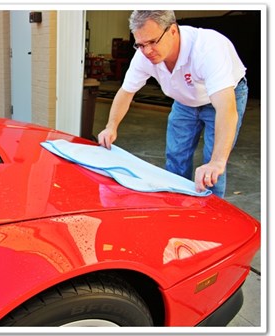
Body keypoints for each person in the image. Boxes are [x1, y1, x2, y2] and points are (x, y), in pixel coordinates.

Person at [97, 10, 248, 198]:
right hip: (184, 100)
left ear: (173, 31)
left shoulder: (207, 48)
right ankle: (175, 208)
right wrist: (111, 127)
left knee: (212, 166)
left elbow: (226, 109)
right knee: (176, 156)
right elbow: (126, 92)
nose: (147, 51)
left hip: (222, 97)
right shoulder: (143, 55)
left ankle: (210, 216)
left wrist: (217, 162)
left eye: (152, 42)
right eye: (140, 45)